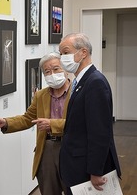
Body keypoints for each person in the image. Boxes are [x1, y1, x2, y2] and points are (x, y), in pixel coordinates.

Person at [0, 52, 71, 195]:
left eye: (56, 69)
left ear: (66, 69)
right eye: (47, 72)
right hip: (47, 149)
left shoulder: (78, 92)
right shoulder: (41, 95)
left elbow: (81, 123)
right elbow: (27, 119)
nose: (52, 74)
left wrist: (53, 125)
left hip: (71, 148)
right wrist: (5, 122)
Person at [58, 33, 121, 195]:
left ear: (83, 53)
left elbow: (100, 132)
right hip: (77, 166)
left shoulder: (95, 82)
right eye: (61, 54)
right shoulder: (81, 81)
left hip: (87, 170)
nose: (62, 57)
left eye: (66, 52)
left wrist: (96, 171)